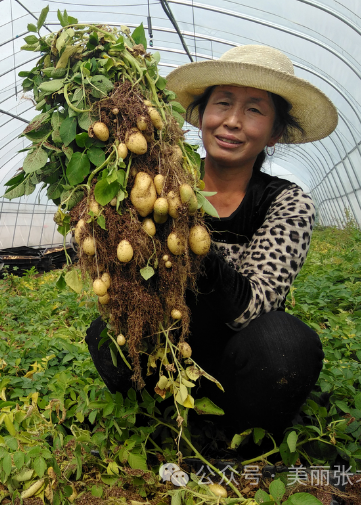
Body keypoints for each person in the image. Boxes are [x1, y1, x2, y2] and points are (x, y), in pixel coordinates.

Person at [85, 45, 338, 437]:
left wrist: (185, 237)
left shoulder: (287, 202)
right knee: (105, 334)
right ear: (201, 116)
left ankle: (236, 439)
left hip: (242, 361)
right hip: (170, 350)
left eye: (254, 109)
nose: (233, 122)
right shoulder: (158, 181)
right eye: (222, 104)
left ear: (274, 134)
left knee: (287, 343)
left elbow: (251, 308)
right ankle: (164, 426)